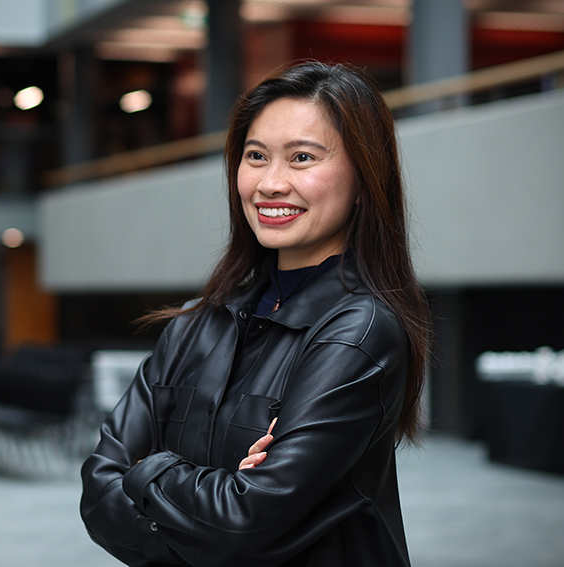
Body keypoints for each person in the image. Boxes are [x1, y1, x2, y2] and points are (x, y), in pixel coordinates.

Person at [80, 61, 430, 567]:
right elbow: (97, 492)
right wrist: (215, 504)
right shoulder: (197, 322)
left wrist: (148, 469)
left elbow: (244, 521)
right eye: (256, 156)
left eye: (302, 157)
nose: (270, 183)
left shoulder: (360, 331)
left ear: (363, 173)